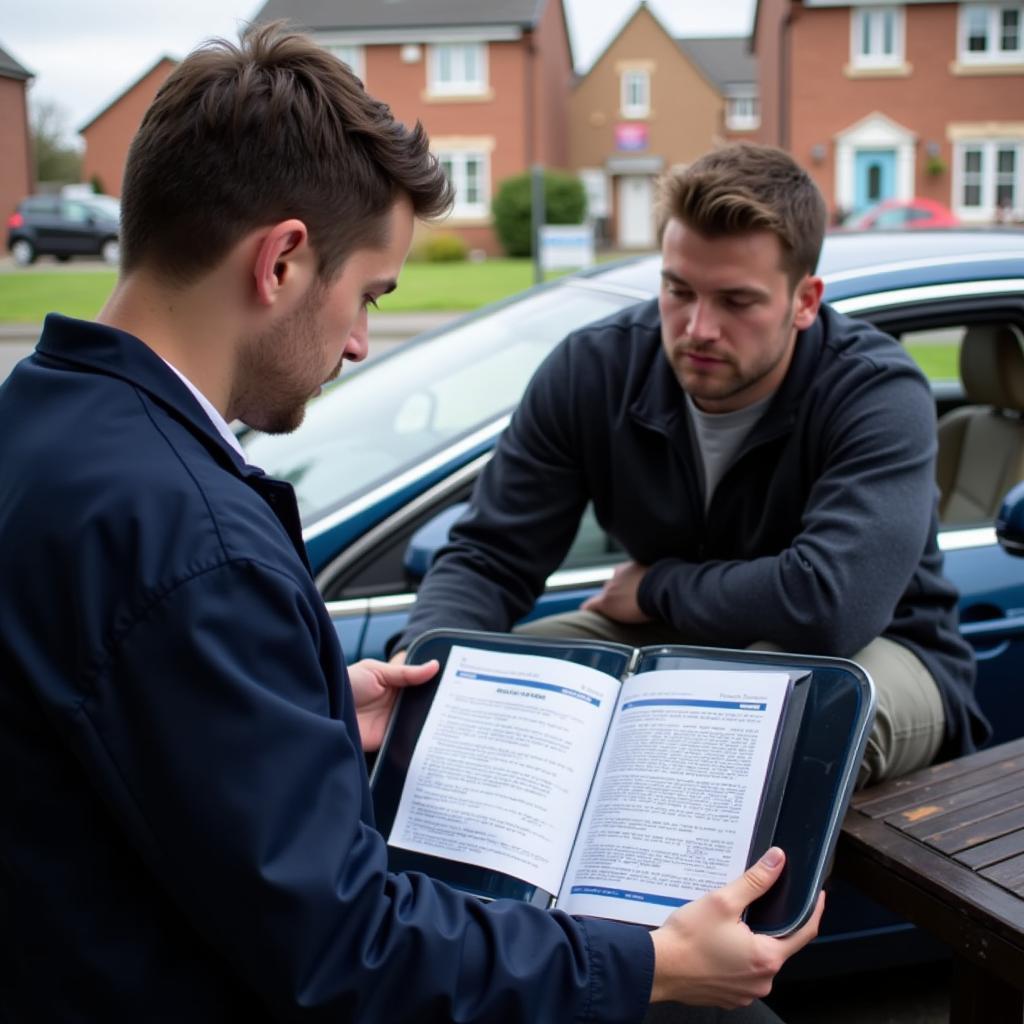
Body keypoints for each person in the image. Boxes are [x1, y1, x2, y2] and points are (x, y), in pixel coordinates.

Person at [0, 27, 823, 1023]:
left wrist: (304, 709)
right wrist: (643, 964)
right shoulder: (194, 540)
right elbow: (348, 949)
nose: (357, 342)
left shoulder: (37, 422)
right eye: (368, 297)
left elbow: (106, 739)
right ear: (283, 261)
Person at [394, 143, 989, 787]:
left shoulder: (875, 391)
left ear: (805, 301)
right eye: (678, 291)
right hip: (672, 637)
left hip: (882, 649)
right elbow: (491, 555)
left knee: (766, 722)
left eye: (736, 302)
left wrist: (655, 587)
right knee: (504, 696)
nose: (697, 328)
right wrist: (422, 663)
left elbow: (829, 604)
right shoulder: (594, 370)